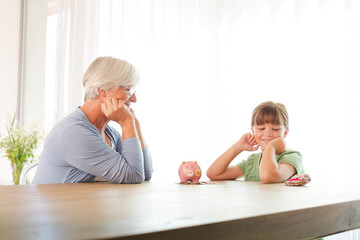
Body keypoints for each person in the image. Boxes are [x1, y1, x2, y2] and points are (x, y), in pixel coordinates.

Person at [32, 56, 153, 184]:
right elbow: (134, 175)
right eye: (128, 90)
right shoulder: (74, 133)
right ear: (103, 90)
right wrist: (127, 123)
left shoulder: (109, 133)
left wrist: (135, 124)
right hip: (55, 203)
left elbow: (145, 173)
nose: (134, 99)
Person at [206, 101, 304, 183]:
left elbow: (267, 176)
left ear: (285, 132)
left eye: (275, 129)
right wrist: (238, 147)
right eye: (261, 128)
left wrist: (271, 147)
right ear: (253, 131)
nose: (268, 134)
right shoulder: (252, 161)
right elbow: (213, 174)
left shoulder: (292, 157)